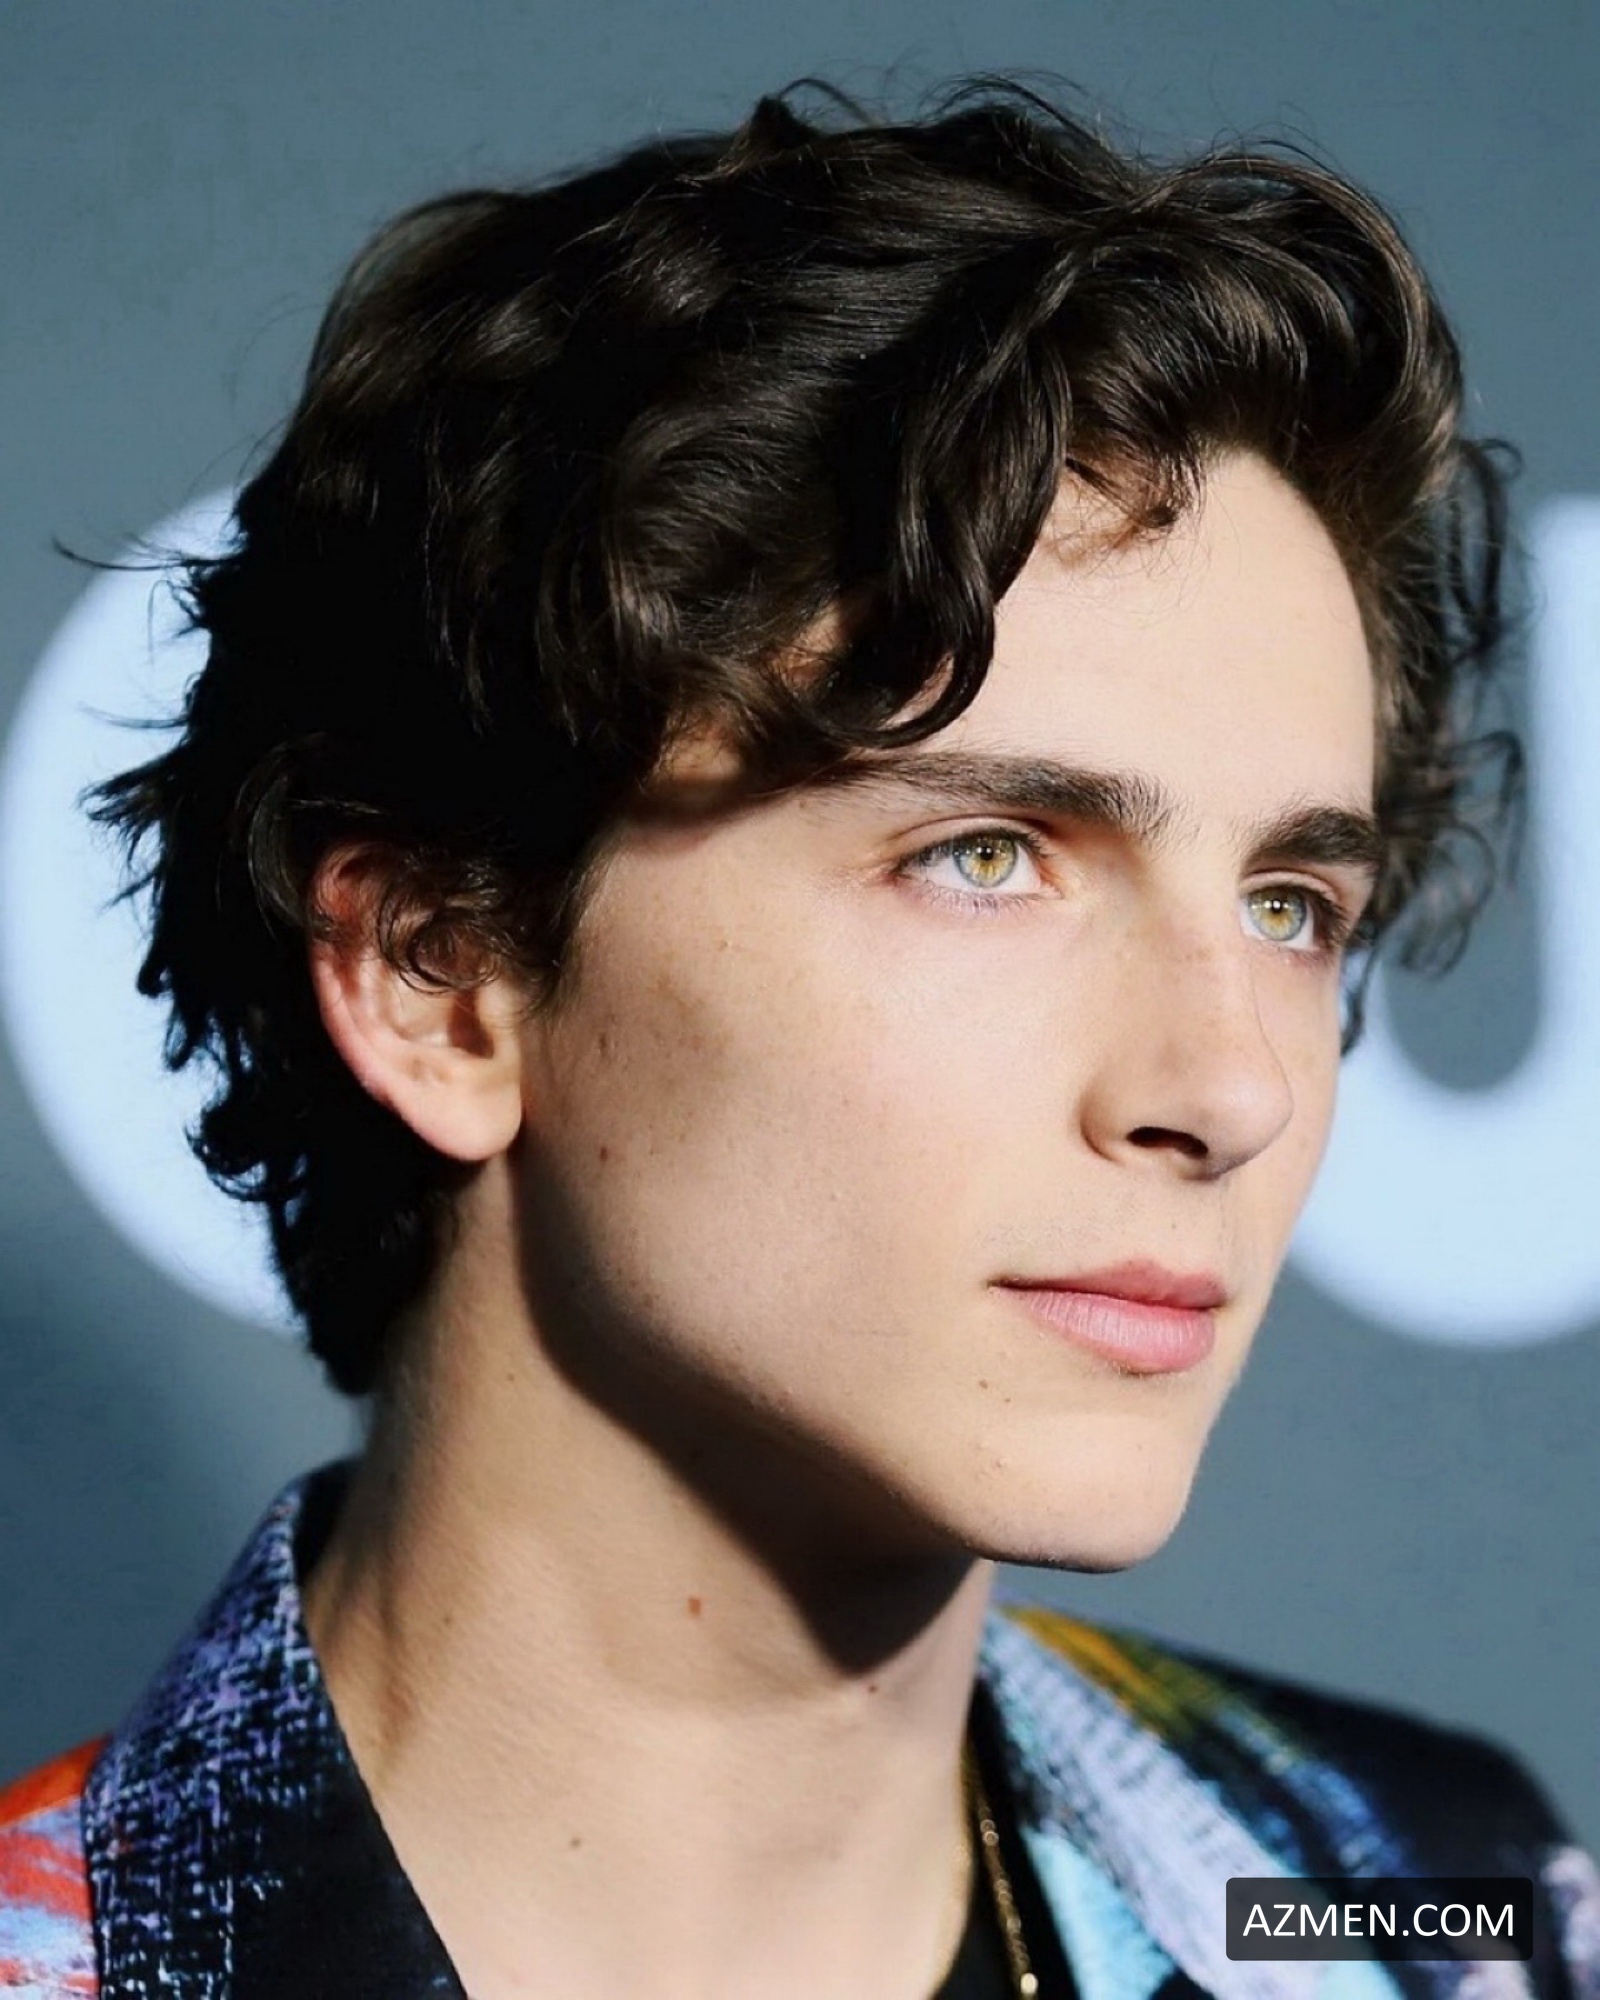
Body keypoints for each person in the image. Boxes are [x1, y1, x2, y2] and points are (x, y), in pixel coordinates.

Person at [1, 81, 1593, 2000]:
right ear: (440, 973)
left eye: (1290, 905)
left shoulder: (1429, 1905)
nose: (1232, 1087)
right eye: (986, 857)